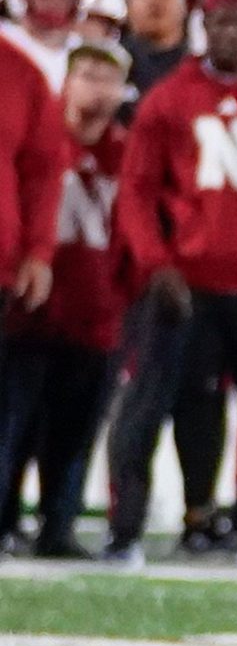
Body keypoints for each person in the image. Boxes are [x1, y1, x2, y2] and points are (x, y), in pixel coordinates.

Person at [103, 0, 237, 567]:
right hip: (185, 284)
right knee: (146, 407)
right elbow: (137, 194)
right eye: (219, 21)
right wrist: (155, 263)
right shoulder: (168, 99)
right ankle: (123, 529)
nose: (228, 33)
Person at [0, 37, 119, 557]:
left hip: (78, 304)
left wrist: (39, 253)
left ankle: (50, 523)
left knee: (57, 426)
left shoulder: (22, 74)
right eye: (86, 74)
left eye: (105, 76)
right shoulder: (31, 96)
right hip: (37, 308)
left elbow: (45, 170)